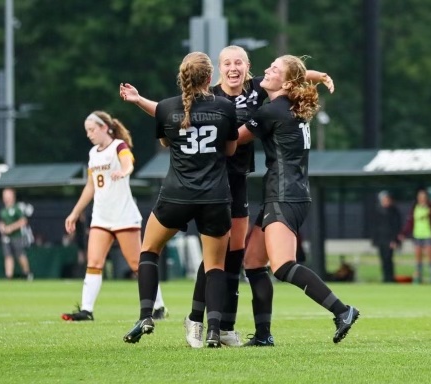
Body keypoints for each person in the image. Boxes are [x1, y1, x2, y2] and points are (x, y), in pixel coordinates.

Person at [120, 45, 334, 347]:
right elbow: (225, 133)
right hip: (216, 186)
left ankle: (223, 328)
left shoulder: (258, 89)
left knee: (233, 258)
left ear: (248, 68)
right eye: (227, 63)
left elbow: (288, 76)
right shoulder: (220, 102)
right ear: (216, 72)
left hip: (230, 184)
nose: (233, 68)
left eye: (239, 63)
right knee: (217, 259)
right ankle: (199, 321)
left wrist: (314, 76)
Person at [236, 55, 359, 346]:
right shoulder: (289, 104)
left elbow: (234, 140)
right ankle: (264, 335)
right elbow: (296, 79)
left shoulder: (272, 111)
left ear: (286, 82)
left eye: (274, 69)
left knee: (282, 266)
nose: (266, 70)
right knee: (253, 263)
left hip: (284, 194)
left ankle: (342, 310)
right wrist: (316, 75)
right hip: (285, 193)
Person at [122, 52, 238, 348]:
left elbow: (164, 135)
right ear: (210, 77)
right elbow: (230, 150)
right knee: (214, 266)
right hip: (214, 196)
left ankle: (146, 314)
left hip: (176, 194)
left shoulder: (167, 108)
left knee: (149, 250)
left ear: (182, 76)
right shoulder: (225, 107)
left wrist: (138, 101)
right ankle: (213, 330)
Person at [61, 110, 167, 321]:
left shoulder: (118, 146)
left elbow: (128, 162)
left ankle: (159, 306)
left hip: (123, 215)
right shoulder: (93, 154)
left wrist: (124, 171)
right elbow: (90, 186)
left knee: (137, 264)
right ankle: (86, 310)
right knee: (94, 262)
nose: (89, 134)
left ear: (104, 128)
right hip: (101, 217)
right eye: (87, 131)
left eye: (92, 129)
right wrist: (75, 213)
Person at [399, 188, 431, 284]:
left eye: (424, 197)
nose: (422, 199)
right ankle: (418, 278)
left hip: (428, 235)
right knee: (418, 257)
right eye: (420, 197)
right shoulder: (415, 208)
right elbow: (410, 222)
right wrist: (404, 233)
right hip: (417, 235)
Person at [0, 188, 33, 280]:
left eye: (8, 195)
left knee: (20, 255)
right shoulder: (3, 211)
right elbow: (1, 222)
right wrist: (2, 228)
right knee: (7, 256)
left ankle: (27, 273)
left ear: (12, 196)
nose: (6, 198)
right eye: (4, 196)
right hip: (6, 238)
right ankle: (9, 276)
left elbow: (23, 221)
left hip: (17, 237)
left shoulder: (17, 208)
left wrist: (11, 228)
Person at [371, 190, 402, 283]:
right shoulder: (377, 211)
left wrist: (395, 240)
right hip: (381, 239)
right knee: (383, 259)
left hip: (390, 239)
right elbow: (374, 227)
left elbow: (397, 226)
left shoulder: (394, 211)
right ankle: (385, 278)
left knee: (389, 259)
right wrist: (375, 240)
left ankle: (390, 278)